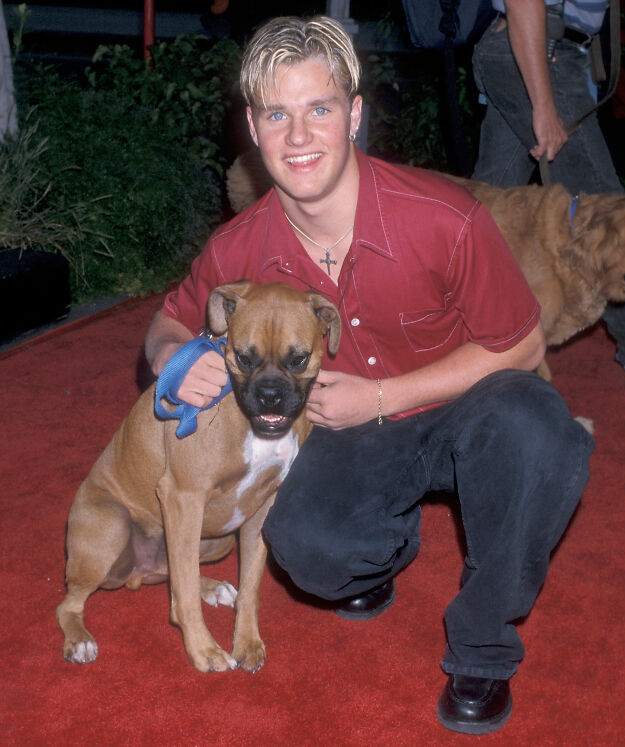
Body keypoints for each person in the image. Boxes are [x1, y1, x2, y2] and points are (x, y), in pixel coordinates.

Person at [145, 15, 594, 735]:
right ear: (254, 129)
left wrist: (381, 394)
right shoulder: (239, 246)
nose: (298, 137)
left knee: (538, 430)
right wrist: (176, 362)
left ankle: (482, 650)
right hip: (354, 437)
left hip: (471, 408)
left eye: (319, 108)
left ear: (354, 115)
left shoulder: (445, 219)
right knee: (309, 550)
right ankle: (381, 545)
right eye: (277, 114)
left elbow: (519, 341)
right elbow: (168, 323)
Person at [472, 0, 625, 390]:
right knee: (611, 213)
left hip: (533, 50)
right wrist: (543, 104)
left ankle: (445, 330)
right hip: (542, 56)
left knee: (480, 216)